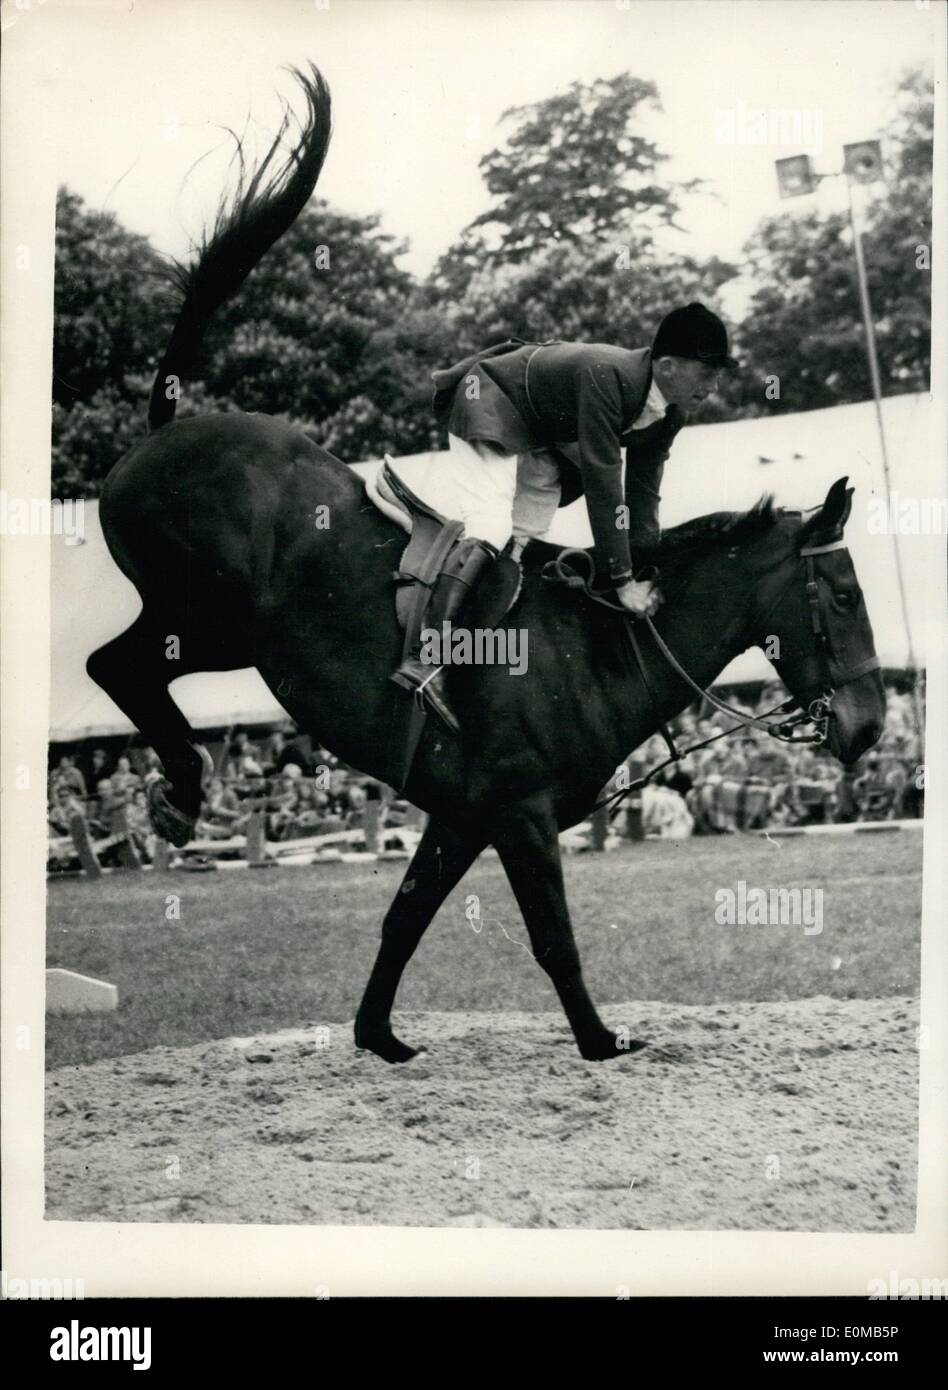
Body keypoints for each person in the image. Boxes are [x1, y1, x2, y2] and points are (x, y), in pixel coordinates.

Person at [392, 303, 738, 728]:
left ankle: (481, 655)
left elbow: (643, 493)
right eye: (707, 373)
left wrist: (650, 566)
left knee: (520, 543)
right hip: (488, 400)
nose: (715, 385)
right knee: (492, 527)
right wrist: (623, 580)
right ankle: (428, 660)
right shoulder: (610, 377)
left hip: (536, 433)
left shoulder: (671, 411)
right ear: (667, 366)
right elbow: (604, 485)